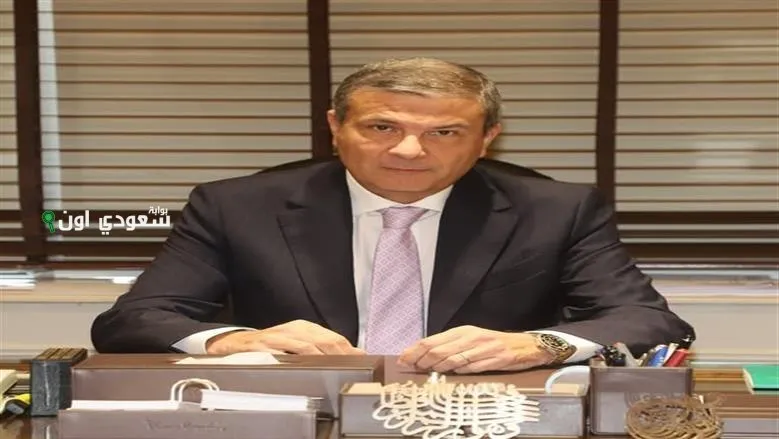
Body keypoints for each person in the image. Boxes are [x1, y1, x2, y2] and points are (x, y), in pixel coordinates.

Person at [91, 57, 694, 374]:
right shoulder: (237, 205)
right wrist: (240, 340)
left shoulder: (556, 210)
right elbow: (131, 322)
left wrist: (538, 345)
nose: (408, 151)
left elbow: (650, 323)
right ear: (336, 127)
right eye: (382, 127)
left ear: (487, 139)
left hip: (481, 419)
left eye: (444, 132)